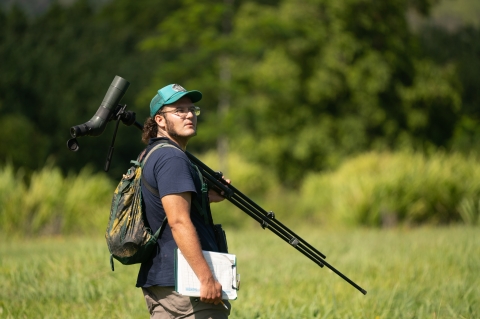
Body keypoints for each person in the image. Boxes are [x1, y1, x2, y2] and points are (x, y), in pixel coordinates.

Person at [136, 83, 231, 319]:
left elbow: (163, 203)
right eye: (179, 110)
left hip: (161, 281)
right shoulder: (172, 158)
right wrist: (206, 277)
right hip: (187, 284)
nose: (189, 115)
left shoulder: (151, 154)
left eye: (191, 109)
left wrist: (205, 197)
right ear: (159, 120)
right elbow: (178, 221)